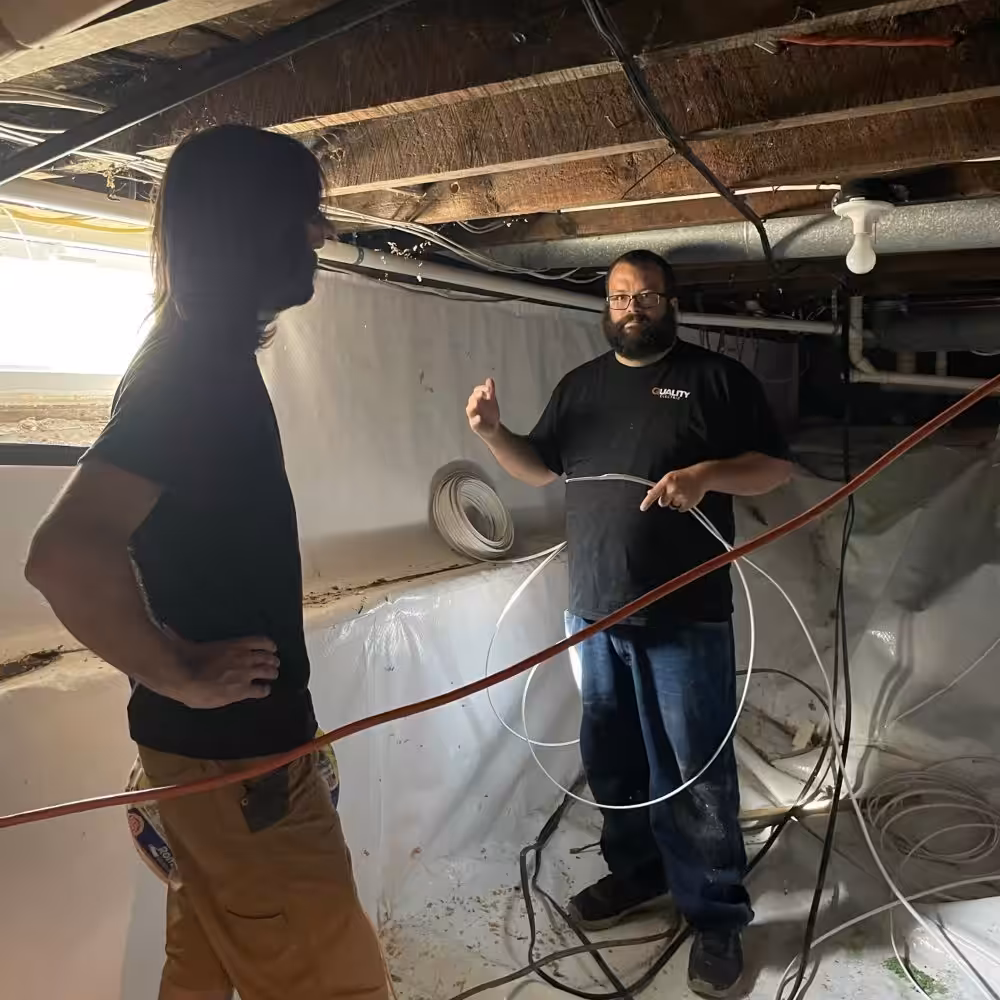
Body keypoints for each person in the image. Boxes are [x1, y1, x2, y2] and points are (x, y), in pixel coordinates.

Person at [25, 125, 388, 1000]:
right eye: (304, 216)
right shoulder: (193, 377)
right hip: (235, 765)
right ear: (247, 227)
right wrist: (176, 672)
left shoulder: (196, 358)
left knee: (208, 962)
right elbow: (62, 554)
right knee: (334, 984)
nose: (322, 234)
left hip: (218, 760)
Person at [466, 249, 791, 998]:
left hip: (686, 612)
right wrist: (491, 433)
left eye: (646, 296)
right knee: (611, 755)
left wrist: (707, 475)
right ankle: (638, 874)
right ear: (604, 307)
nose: (631, 307)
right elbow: (540, 467)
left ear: (670, 303)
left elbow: (773, 467)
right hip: (594, 612)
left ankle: (715, 916)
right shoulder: (581, 389)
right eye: (618, 297)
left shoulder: (716, 380)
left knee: (695, 769)